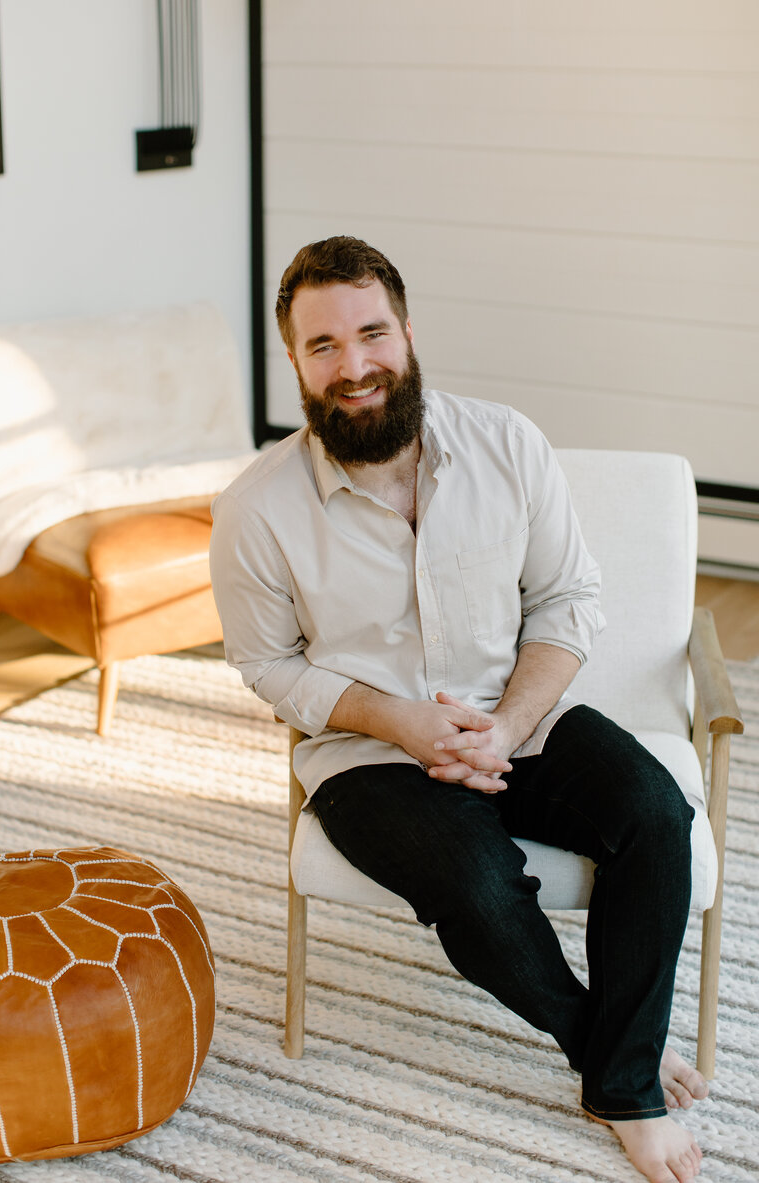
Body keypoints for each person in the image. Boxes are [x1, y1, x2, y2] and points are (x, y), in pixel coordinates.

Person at [209, 236, 708, 1183]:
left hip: (518, 711)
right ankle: (617, 1068)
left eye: (371, 332)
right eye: (323, 346)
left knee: (655, 813)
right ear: (294, 361)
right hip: (366, 753)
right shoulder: (255, 508)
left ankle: (620, 1063)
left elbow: (567, 599)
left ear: (407, 328)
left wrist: (509, 728)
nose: (354, 366)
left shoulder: (507, 443)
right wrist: (402, 722)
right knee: (478, 884)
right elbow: (267, 665)